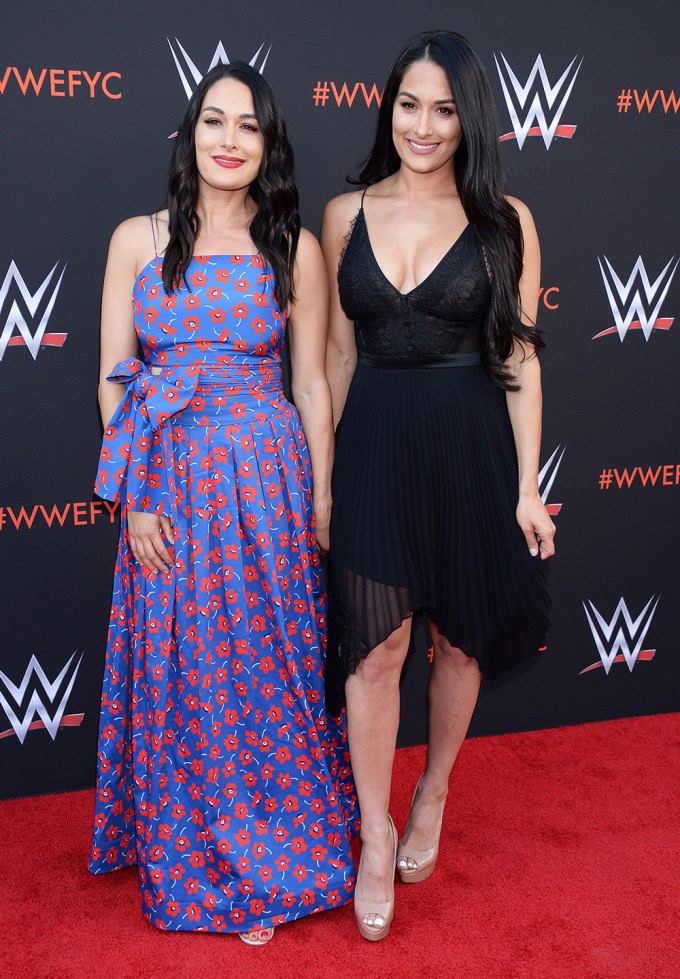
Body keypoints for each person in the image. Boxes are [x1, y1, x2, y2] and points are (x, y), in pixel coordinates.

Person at [89, 62, 357, 946]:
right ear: (189, 133)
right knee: (183, 672)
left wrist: (316, 498)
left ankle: (266, 852)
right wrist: (133, 499)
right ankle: (193, 850)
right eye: (214, 121)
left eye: (249, 126)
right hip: (166, 480)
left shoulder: (295, 247)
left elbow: (313, 385)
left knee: (263, 669)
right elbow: (111, 376)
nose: (230, 140)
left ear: (269, 143)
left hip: (263, 482)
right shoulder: (137, 239)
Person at [321, 30, 554, 942]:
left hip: (471, 447)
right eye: (410, 104)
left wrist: (529, 485)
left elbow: (521, 358)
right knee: (376, 649)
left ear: (470, 118)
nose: (424, 124)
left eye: (445, 108)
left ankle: (434, 788)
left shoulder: (507, 220)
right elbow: (337, 355)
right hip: (374, 443)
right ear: (389, 107)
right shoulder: (344, 215)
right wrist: (324, 481)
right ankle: (373, 833)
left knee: (458, 643)